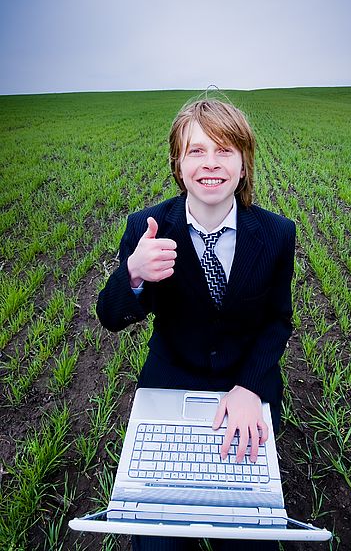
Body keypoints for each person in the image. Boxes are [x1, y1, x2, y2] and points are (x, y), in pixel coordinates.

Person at [96, 97, 296, 551]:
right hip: (170, 382)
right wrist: (133, 274)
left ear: (244, 165)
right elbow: (110, 316)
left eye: (225, 151)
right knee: (156, 541)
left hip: (245, 387)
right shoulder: (146, 228)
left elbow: (277, 321)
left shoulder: (277, 234)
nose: (211, 164)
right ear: (178, 163)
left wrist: (250, 387)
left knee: (250, 538)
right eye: (197, 151)